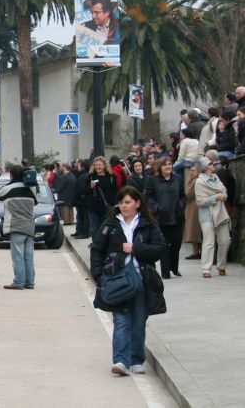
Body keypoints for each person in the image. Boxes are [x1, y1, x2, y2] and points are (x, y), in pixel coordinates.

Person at [90, 186, 166, 376]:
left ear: (137, 204)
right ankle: (120, 361)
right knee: (121, 321)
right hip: (117, 281)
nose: (124, 206)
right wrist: (99, 275)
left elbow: (159, 249)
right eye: (121, 202)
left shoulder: (148, 225)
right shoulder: (110, 225)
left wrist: (136, 248)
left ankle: (136, 359)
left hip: (141, 281)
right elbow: (97, 250)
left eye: (128, 202)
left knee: (139, 322)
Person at [0, 165, 37, 290]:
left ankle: (19, 282)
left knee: (18, 257)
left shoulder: (8, 188)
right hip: (30, 226)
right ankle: (29, 282)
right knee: (29, 257)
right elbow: (36, 201)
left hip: (16, 226)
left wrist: (11, 182)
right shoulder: (31, 189)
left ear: (11, 175)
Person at [144, 157, 185, 279]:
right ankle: (165, 271)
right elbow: (148, 197)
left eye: (169, 164)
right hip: (161, 217)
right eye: (165, 165)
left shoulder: (178, 179)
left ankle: (174, 267)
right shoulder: (153, 180)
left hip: (176, 216)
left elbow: (183, 195)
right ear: (160, 167)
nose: (168, 167)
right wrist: (156, 207)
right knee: (164, 245)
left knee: (177, 243)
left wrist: (181, 206)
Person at [194, 157, 230, 278]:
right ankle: (206, 268)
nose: (213, 164)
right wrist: (216, 197)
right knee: (209, 241)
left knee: (225, 240)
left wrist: (222, 196)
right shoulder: (199, 182)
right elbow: (200, 201)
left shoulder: (216, 177)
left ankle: (221, 266)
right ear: (205, 167)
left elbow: (224, 190)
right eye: (210, 163)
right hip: (207, 214)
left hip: (220, 212)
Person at [88, 157, 118, 239]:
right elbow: (85, 192)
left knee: (105, 229)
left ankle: (103, 247)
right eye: (96, 165)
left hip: (106, 208)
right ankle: (96, 247)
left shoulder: (111, 177)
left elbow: (115, 192)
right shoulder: (91, 177)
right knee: (94, 230)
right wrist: (90, 187)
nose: (98, 167)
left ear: (104, 166)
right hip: (94, 208)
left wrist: (113, 204)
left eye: (99, 165)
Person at [183, 165, 202, 260]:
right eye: (191, 170)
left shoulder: (196, 181)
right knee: (194, 230)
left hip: (194, 207)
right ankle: (196, 252)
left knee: (194, 230)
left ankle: (196, 252)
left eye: (193, 170)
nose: (191, 172)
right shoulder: (194, 180)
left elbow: (188, 194)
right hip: (192, 206)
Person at [72, 159, 90, 239]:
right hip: (83, 200)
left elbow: (81, 188)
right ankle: (81, 232)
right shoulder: (84, 175)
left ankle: (84, 233)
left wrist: (77, 196)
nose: (77, 167)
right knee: (82, 216)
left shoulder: (83, 176)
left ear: (82, 167)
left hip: (82, 200)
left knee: (83, 217)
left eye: (79, 165)